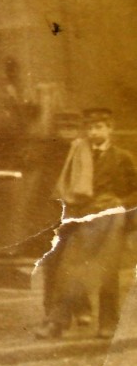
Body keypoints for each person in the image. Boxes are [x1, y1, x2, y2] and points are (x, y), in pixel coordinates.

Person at [35, 108, 137, 339]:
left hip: (112, 220)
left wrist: (121, 201)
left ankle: (108, 324)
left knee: (107, 273)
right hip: (83, 220)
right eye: (90, 128)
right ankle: (56, 323)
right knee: (70, 271)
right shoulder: (80, 156)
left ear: (110, 129)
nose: (94, 132)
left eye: (99, 127)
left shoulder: (122, 158)